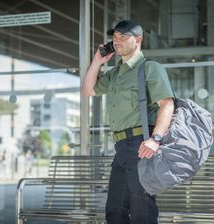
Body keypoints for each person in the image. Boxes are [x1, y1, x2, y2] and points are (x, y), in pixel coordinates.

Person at [82, 20, 175, 223]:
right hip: (121, 147)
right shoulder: (115, 73)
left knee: (142, 209)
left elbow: (167, 105)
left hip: (141, 144)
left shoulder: (150, 68)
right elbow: (88, 90)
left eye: (123, 37)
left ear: (138, 40)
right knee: (115, 210)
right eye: (115, 38)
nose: (117, 42)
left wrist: (156, 139)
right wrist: (97, 62)